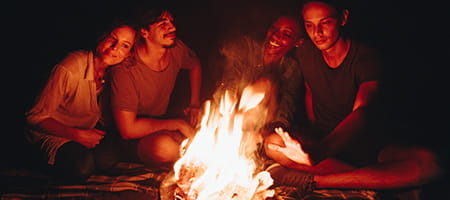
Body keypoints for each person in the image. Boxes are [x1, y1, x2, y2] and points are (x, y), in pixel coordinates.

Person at [264, 0, 443, 194]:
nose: (317, 32)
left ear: (343, 18)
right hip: (322, 140)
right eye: (309, 25)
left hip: (365, 143)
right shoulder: (305, 52)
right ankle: (373, 179)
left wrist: (322, 150)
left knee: (431, 164)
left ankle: (320, 181)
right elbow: (306, 90)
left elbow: (362, 111)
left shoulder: (366, 57)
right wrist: (310, 138)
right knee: (272, 144)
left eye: (325, 22)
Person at [25, 20, 136, 183]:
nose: (115, 48)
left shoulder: (117, 74)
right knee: (81, 168)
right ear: (102, 36)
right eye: (112, 38)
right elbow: (34, 117)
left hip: (85, 132)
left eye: (125, 45)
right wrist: (76, 135)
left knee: (108, 159)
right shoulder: (69, 67)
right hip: (51, 132)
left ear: (129, 54)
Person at [108, 8, 202, 168]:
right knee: (164, 148)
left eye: (171, 22)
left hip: (162, 121)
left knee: (208, 128)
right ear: (144, 32)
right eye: (162, 24)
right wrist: (177, 124)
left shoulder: (176, 49)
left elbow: (195, 65)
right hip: (131, 134)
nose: (172, 28)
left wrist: (194, 103)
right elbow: (128, 130)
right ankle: (199, 161)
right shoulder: (126, 69)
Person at [214, 14, 305, 148]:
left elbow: (285, 109)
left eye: (286, 34)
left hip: (261, 128)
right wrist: (230, 117)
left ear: (298, 42)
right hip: (228, 116)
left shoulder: (291, 68)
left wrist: (263, 134)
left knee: (267, 84)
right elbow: (229, 84)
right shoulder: (247, 48)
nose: (276, 36)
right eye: (274, 29)